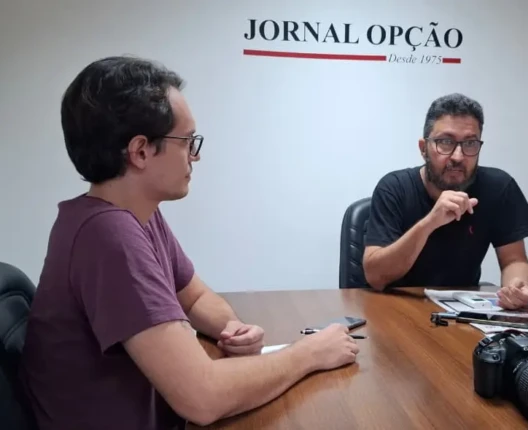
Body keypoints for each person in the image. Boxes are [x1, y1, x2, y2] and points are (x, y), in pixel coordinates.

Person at [19, 56, 359, 430]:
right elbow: (202, 398)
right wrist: (310, 353)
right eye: (187, 141)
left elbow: (194, 297)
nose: (195, 155)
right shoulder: (108, 235)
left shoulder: (133, 215)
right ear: (140, 151)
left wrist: (230, 326)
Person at [362, 93, 528, 310]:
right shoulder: (394, 188)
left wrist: (517, 284)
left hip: (462, 312)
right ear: (423, 148)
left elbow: (515, 260)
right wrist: (430, 222)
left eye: (470, 143)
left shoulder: (499, 187)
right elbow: (375, 276)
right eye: (445, 142)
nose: (458, 156)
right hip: (395, 310)